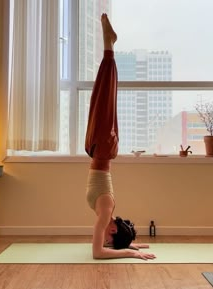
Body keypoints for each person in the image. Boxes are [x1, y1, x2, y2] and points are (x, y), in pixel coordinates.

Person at [85, 13, 156, 260]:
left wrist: (134, 246)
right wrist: (130, 253)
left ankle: (109, 45)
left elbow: (103, 246)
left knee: (99, 98)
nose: (104, 240)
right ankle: (109, 45)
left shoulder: (108, 213)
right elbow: (97, 254)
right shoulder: (105, 213)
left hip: (98, 149)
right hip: (102, 148)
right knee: (105, 96)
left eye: (108, 242)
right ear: (112, 229)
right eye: (109, 239)